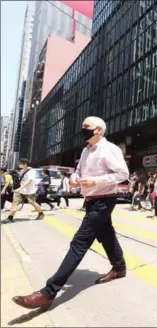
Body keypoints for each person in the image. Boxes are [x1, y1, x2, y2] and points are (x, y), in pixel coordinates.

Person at [12, 116, 129, 310]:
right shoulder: (85, 150)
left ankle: (48, 292)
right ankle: (119, 267)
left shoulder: (110, 149)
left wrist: (96, 181)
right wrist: (75, 177)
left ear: (99, 130)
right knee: (107, 236)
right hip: (91, 201)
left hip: (104, 200)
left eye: (86, 127)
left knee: (79, 243)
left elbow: (123, 174)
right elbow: (78, 170)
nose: (82, 130)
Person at [3, 158, 44, 223]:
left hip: (29, 191)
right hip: (20, 191)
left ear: (25, 164)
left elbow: (29, 180)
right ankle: (10, 218)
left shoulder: (32, 171)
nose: (19, 164)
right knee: (15, 202)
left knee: (33, 203)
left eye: (21, 163)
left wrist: (21, 187)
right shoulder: (23, 170)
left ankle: (41, 213)